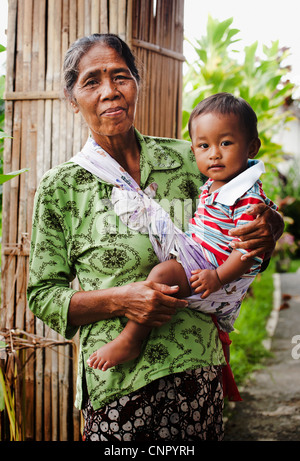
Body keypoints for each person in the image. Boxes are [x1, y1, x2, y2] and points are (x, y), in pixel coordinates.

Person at [27, 34, 283, 442]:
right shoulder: (63, 187)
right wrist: (122, 298)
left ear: (136, 85)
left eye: (121, 77)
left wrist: (272, 229)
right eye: (92, 81)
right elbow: (42, 295)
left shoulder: (193, 158)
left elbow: (248, 223)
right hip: (120, 386)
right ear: (72, 98)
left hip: (196, 369)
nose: (110, 91)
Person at [86, 93, 278, 372]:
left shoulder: (246, 196)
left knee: (164, 274)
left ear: (251, 147)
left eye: (225, 143)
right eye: (204, 145)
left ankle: (130, 339)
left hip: (216, 268)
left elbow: (249, 251)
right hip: (203, 254)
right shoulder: (216, 182)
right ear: (193, 149)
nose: (214, 153)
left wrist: (218, 277)